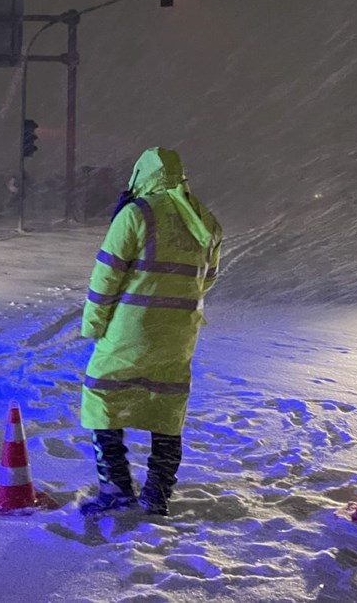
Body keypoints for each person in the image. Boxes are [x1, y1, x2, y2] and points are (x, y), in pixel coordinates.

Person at [78, 147, 222, 516]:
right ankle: (157, 494)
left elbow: (107, 275)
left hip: (131, 330)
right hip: (178, 335)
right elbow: (206, 282)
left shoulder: (136, 214)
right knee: (167, 408)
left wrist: (95, 323)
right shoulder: (206, 220)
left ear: (142, 176)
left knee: (102, 400)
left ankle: (116, 489)